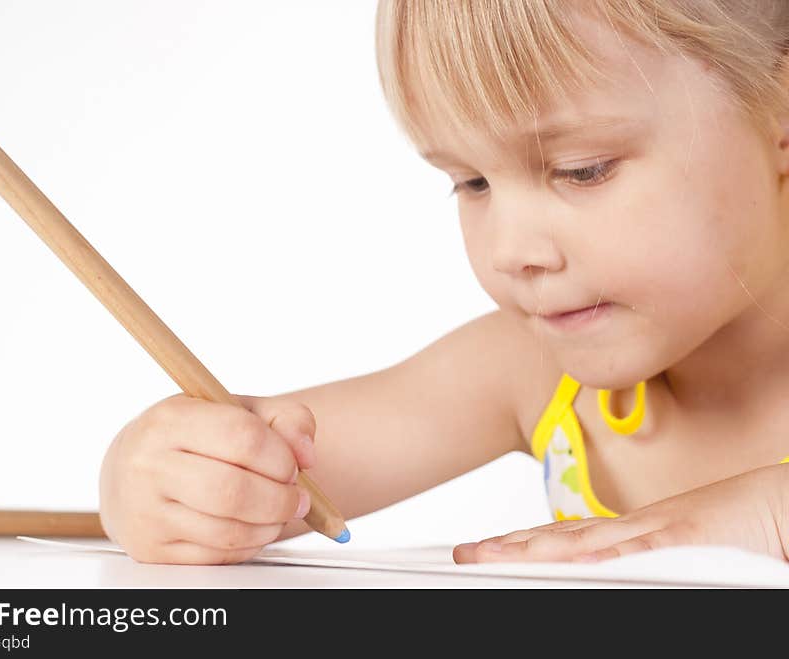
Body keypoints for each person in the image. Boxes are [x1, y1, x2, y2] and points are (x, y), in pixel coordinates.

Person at [99, 0, 789, 565]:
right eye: (473, 182)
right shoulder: (536, 371)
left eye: (584, 169)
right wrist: (160, 479)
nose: (512, 249)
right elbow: (276, 470)